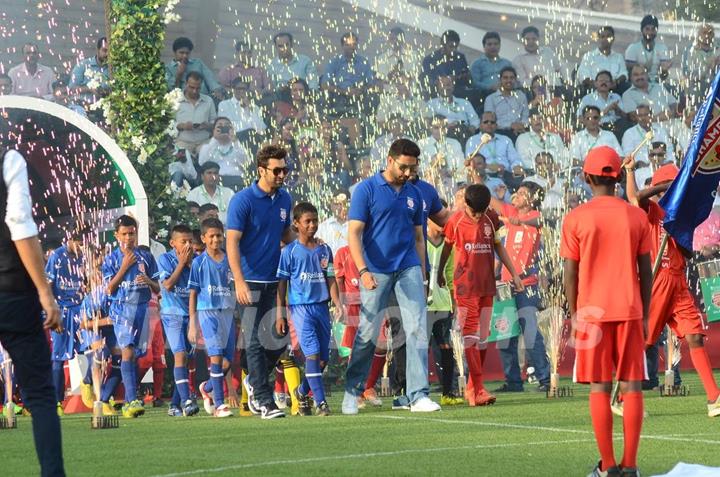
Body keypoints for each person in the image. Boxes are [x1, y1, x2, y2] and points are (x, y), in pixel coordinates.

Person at [560, 146, 652, 477]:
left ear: (587, 178)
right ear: (617, 177)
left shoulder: (575, 218)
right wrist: (646, 313)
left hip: (591, 313)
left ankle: (608, 467)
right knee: (632, 386)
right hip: (629, 309)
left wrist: (573, 314)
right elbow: (646, 270)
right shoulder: (636, 216)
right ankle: (630, 465)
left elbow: (570, 273)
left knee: (599, 387)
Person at [342, 138, 441, 414]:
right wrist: (363, 271)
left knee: (418, 329)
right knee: (367, 332)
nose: (408, 173)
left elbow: (419, 237)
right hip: (375, 269)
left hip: (408, 266)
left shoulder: (415, 193)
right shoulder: (366, 189)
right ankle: (353, 391)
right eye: (403, 167)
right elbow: (354, 233)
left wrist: (421, 274)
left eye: (412, 168)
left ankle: (418, 395)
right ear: (389, 160)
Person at [625, 161, 720, 417]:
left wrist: (681, 234)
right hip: (656, 281)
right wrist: (661, 184)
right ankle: (624, 397)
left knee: (694, 336)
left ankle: (714, 398)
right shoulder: (652, 209)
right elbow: (634, 196)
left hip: (677, 281)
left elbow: (687, 253)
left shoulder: (681, 214)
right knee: (644, 343)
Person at [0, 145, 65, 475]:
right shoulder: (8, 159)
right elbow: (20, 225)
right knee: (40, 396)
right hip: (13, 293)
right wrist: (45, 291)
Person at [437, 183, 523, 406]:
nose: (478, 215)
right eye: (474, 211)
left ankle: (472, 388)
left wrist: (513, 273)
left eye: (482, 211)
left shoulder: (491, 217)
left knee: (483, 338)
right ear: (465, 204)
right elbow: (446, 248)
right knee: (470, 336)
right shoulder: (454, 221)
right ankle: (479, 389)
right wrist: (439, 273)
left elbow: (498, 247)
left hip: (487, 285)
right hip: (464, 286)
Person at [226, 145, 293, 420]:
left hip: (273, 278)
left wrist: (306, 245)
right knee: (254, 340)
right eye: (276, 170)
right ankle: (265, 402)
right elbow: (232, 242)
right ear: (261, 170)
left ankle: (254, 380)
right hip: (249, 280)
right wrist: (239, 281)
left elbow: (285, 232)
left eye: (284, 169)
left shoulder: (285, 199)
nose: (281, 175)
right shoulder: (242, 200)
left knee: (277, 341)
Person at [276, 202, 342, 416]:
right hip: (301, 309)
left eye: (315, 220)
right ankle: (321, 403)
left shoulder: (324, 249)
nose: (312, 225)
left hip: (322, 308)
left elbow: (330, 277)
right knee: (312, 356)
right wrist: (280, 313)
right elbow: (282, 284)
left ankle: (301, 391)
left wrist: (337, 302)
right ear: (296, 224)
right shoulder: (289, 252)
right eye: (308, 221)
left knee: (323, 359)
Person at [491, 183, 551, 392]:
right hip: (506, 284)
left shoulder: (534, 216)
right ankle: (513, 381)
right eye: (517, 192)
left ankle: (545, 378)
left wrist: (520, 221)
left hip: (527, 285)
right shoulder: (510, 212)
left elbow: (541, 220)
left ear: (532, 200)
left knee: (531, 332)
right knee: (505, 333)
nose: (516, 195)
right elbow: (490, 200)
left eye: (523, 193)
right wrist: (473, 173)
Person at [102, 214, 159, 419]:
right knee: (127, 352)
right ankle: (131, 400)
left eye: (132, 233)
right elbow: (109, 289)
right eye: (124, 234)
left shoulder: (146, 256)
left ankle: (130, 398)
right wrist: (124, 267)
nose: (129, 237)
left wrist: (148, 281)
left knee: (135, 355)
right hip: (122, 309)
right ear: (117, 235)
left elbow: (157, 286)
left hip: (142, 309)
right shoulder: (111, 259)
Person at [189, 218, 237, 418]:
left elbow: (235, 287)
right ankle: (219, 405)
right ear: (204, 238)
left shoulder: (230, 259)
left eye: (219, 235)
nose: (216, 239)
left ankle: (206, 387)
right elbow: (193, 292)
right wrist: (192, 322)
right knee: (216, 358)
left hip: (227, 312)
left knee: (226, 362)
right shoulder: (199, 263)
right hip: (208, 312)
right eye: (212, 236)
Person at [154, 224, 199, 417]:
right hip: (172, 313)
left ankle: (174, 405)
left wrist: (190, 265)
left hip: (192, 315)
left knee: (187, 359)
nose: (188, 245)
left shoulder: (197, 261)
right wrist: (182, 264)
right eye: (184, 241)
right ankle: (187, 400)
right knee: (179, 355)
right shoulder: (165, 259)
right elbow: (168, 285)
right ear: (173, 243)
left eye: (190, 241)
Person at [45, 230, 85, 414]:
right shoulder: (57, 256)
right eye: (78, 242)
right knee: (58, 357)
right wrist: (53, 312)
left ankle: (89, 392)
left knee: (88, 350)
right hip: (62, 310)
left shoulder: (83, 256)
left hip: (80, 309)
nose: (81, 247)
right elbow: (48, 285)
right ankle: (56, 401)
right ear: (70, 240)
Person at [426, 207, 463, 405]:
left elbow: (450, 275)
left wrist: (453, 301)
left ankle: (448, 392)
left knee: (445, 347)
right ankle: (414, 391)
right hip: (422, 305)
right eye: (437, 220)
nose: (442, 223)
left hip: (442, 305)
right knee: (419, 348)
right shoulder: (420, 242)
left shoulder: (450, 245)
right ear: (428, 220)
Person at [321, 32, 377, 119]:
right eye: (348, 45)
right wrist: (345, 91)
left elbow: (371, 83)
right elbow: (324, 85)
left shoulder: (364, 62)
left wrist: (361, 89)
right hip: (339, 96)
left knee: (373, 97)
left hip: (359, 96)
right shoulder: (334, 62)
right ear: (342, 46)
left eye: (354, 44)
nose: (352, 47)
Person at [465, 112, 524, 188]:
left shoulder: (505, 140)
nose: (489, 124)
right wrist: (488, 166)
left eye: (492, 122)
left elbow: (515, 159)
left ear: (496, 125)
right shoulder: (472, 140)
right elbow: (470, 162)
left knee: (523, 181)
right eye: (486, 122)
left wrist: (516, 166)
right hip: (485, 174)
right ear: (480, 125)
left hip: (506, 174)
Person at [198, 117, 253, 191]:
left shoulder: (237, 145)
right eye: (219, 126)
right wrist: (214, 139)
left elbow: (246, 163)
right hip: (215, 180)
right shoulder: (208, 146)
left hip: (236, 179)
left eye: (227, 126)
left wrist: (235, 140)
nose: (223, 128)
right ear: (214, 130)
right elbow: (202, 162)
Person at [426, 75, 480, 144]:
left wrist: (472, 128)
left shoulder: (464, 103)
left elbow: (475, 120)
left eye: (448, 85)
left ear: (453, 86)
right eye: (442, 85)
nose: (445, 88)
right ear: (438, 87)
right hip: (444, 133)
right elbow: (429, 123)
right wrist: (446, 127)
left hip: (464, 132)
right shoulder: (432, 103)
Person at [174, 71, 217, 154]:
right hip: (183, 142)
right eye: (192, 87)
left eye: (198, 88)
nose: (194, 91)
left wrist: (208, 125)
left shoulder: (208, 100)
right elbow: (169, 123)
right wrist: (182, 126)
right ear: (186, 84)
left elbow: (214, 122)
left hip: (204, 142)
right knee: (181, 160)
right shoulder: (176, 100)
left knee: (209, 157)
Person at [621, 104, 675, 169]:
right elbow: (627, 154)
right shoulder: (629, 133)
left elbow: (669, 149)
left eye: (646, 115)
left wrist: (669, 162)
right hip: (641, 169)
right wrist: (638, 163)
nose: (643, 118)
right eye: (640, 115)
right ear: (636, 117)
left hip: (663, 166)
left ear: (651, 116)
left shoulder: (660, 131)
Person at [483, 66, 529, 142]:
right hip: (499, 132)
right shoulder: (491, 98)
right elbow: (489, 121)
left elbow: (526, 116)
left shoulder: (521, 96)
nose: (509, 80)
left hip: (520, 131)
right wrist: (510, 125)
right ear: (500, 80)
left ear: (515, 80)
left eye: (512, 78)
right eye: (505, 78)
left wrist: (521, 125)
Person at [421, 30, 472, 96]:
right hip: (436, 94)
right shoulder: (430, 59)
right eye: (451, 47)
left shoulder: (460, 57)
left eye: (456, 47)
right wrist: (440, 82)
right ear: (443, 45)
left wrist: (457, 78)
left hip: (458, 93)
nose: (454, 50)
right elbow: (424, 81)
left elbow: (468, 79)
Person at [624, 15, 671, 83]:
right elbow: (631, 74)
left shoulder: (662, 48)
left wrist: (664, 71)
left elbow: (663, 76)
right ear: (642, 30)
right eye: (647, 29)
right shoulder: (633, 48)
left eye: (653, 29)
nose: (650, 32)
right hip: (638, 84)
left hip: (657, 83)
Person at [69, 37, 110, 110]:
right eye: (104, 50)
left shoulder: (113, 69)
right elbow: (71, 89)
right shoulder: (83, 65)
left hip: (104, 108)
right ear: (97, 50)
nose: (107, 54)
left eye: (110, 52)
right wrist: (89, 89)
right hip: (81, 105)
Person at [682, 24, 720, 104]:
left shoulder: (718, 49)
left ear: (713, 35)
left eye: (710, 33)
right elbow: (690, 76)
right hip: (697, 85)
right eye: (704, 33)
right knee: (696, 88)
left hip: (716, 84)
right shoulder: (690, 50)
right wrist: (709, 66)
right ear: (698, 35)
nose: (707, 36)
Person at [470, 32, 513, 98]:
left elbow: (514, 80)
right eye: (489, 44)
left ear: (500, 45)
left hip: (506, 94)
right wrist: (489, 87)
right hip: (485, 95)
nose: (493, 47)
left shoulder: (507, 63)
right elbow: (474, 83)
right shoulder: (477, 63)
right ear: (484, 46)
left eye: (496, 44)